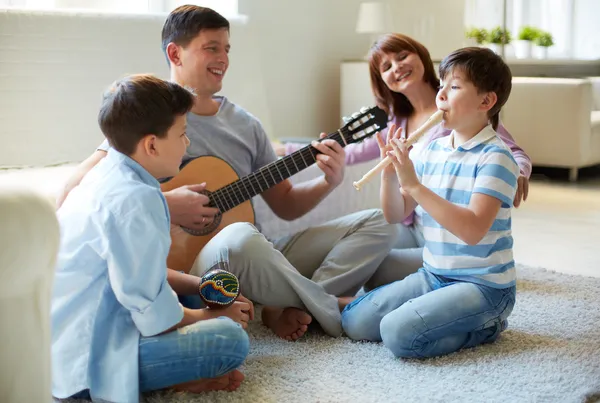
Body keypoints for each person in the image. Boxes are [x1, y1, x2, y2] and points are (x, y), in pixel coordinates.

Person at [55, 6, 398, 341]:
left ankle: (284, 304)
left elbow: (286, 206)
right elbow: (78, 190)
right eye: (211, 48)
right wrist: (165, 204)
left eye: (227, 49)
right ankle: (330, 307)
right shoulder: (152, 116)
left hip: (258, 253)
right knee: (240, 237)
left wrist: (329, 181)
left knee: (380, 222)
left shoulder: (246, 125)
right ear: (175, 53)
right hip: (190, 268)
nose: (223, 58)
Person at [276, 33, 531, 291]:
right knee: (362, 234)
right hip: (412, 226)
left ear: (420, 55)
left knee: (376, 266)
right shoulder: (397, 124)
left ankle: (313, 300)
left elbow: (511, 152)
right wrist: (283, 148)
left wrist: (517, 173)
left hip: (450, 237)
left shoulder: (461, 111)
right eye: (386, 67)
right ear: (383, 81)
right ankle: (304, 290)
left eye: (401, 56)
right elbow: (350, 152)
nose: (396, 67)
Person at [51, 74, 251, 402]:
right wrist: (212, 317)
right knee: (230, 340)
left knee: (195, 295)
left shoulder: (107, 174)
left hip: (75, 331)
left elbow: (134, 275)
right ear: (152, 144)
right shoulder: (135, 200)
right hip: (89, 359)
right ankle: (171, 376)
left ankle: (180, 372)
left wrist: (199, 285)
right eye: (182, 134)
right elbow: (152, 316)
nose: (187, 144)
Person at [341, 46, 519, 359]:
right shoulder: (431, 150)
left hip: (484, 287)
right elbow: (396, 214)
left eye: (454, 87)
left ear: (486, 101)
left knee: (398, 334)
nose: (441, 95)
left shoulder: (498, 158)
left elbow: (472, 230)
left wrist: (413, 184)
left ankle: (487, 327)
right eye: (441, 86)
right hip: (434, 275)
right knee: (354, 323)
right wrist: (390, 174)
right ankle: (435, 313)